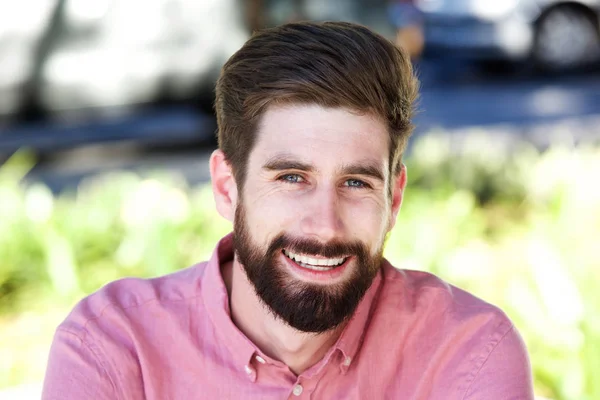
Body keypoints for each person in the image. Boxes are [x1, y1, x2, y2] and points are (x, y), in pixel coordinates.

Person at [42, 21, 534, 399]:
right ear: (226, 186)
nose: (325, 225)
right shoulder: (113, 348)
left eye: (357, 182)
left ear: (395, 198)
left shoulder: (466, 353)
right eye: (292, 178)